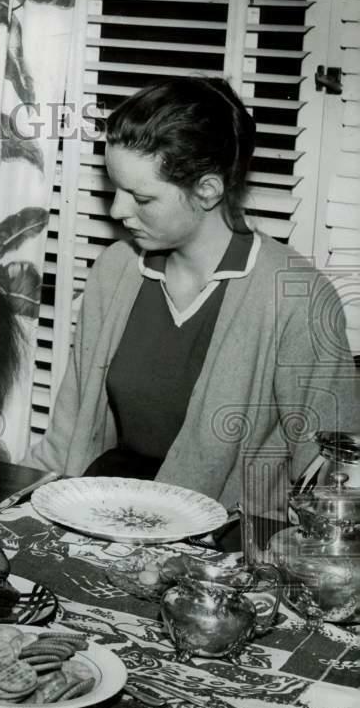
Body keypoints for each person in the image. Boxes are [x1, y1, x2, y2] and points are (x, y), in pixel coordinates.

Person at [26, 76, 358, 511]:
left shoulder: (297, 297)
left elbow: (335, 477)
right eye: (115, 189)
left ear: (206, 191)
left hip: (230, 551)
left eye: (140, 197)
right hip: (105, 518)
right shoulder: (116, 269)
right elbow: (68, 434)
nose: (117, 210)